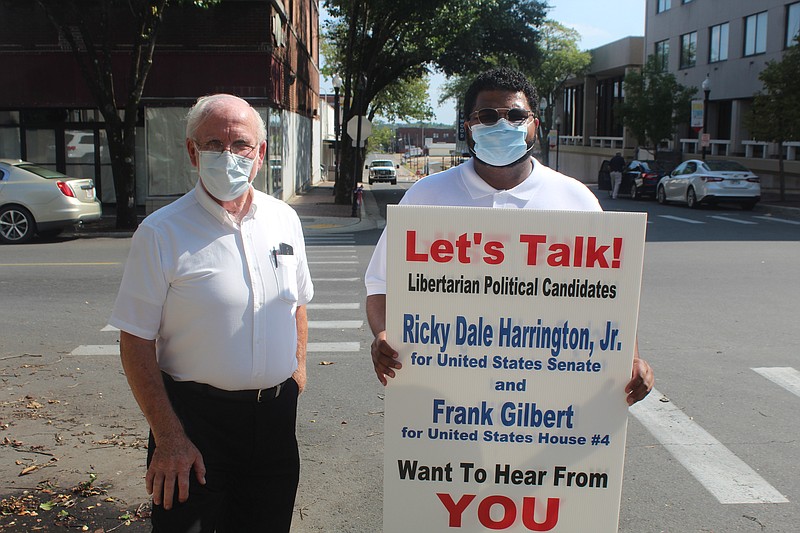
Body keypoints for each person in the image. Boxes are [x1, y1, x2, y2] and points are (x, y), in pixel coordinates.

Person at [365, 67, 653, 406]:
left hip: (548, 399)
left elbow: (609, 297)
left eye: (515, 115)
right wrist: (384, 335)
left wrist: (630, 358)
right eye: (486, 116)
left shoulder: (576, 201)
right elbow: (381, 286)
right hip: (447, 397)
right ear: (468, 126)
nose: (501, 126)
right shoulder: (425, 197)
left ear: (535, 125)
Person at [109, 94, 313, 532]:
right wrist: (169, 437)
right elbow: (134, 340)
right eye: (214, 144)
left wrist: (296, 373)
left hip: (274, 424)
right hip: (194, 426)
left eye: (240, 144)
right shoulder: (161, 231)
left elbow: (296, 303)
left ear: (260, 153)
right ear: (191, 152)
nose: (228, 155)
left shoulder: (284, 219)